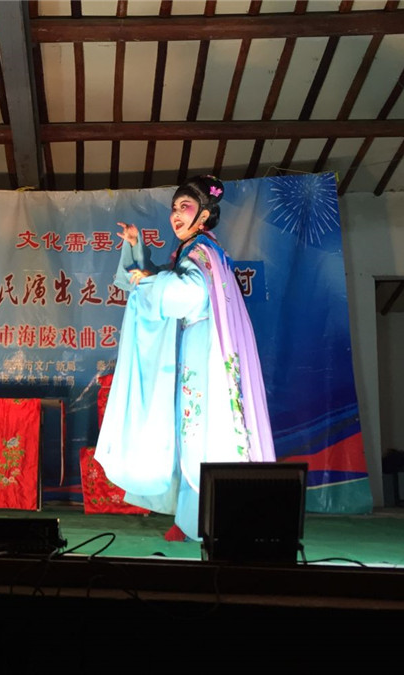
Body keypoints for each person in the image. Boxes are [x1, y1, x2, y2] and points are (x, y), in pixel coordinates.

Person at [95, 175, 275, 542]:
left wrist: (148, 282)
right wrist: (137, 250)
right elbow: (166, 280)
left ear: (204, 215)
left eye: (185, 207)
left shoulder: (201, 251)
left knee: (199, 432)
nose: (176, 215)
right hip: (201, 343)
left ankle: (201, 520)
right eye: (174, 208)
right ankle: (192, 517)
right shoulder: (197, 249)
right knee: (193, 430)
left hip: (203, 347)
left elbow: (189, 294)